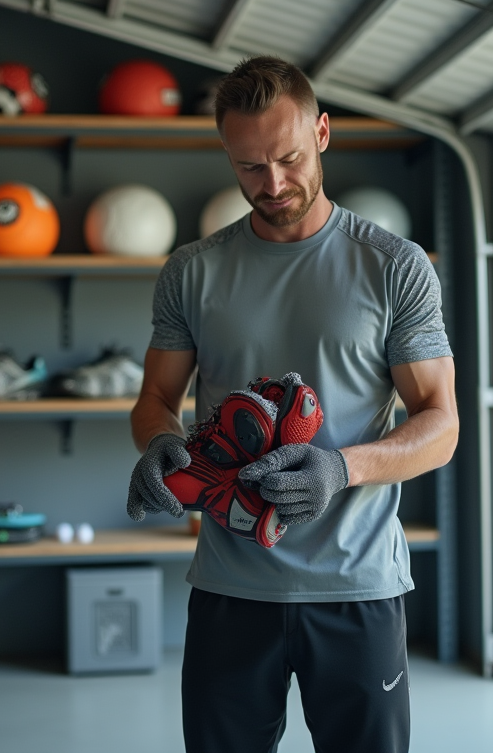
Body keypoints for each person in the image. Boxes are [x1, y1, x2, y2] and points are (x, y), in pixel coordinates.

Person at [127, 55, 458, 753]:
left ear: (324, 133)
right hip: (230, 586)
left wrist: (340, 469)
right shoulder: (193, 271)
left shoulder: (393, 266)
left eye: (289, 158)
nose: (273, 185)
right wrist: (159, 442)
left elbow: (440, 423)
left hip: (357, 586)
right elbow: (156, 397)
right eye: (249, 167)